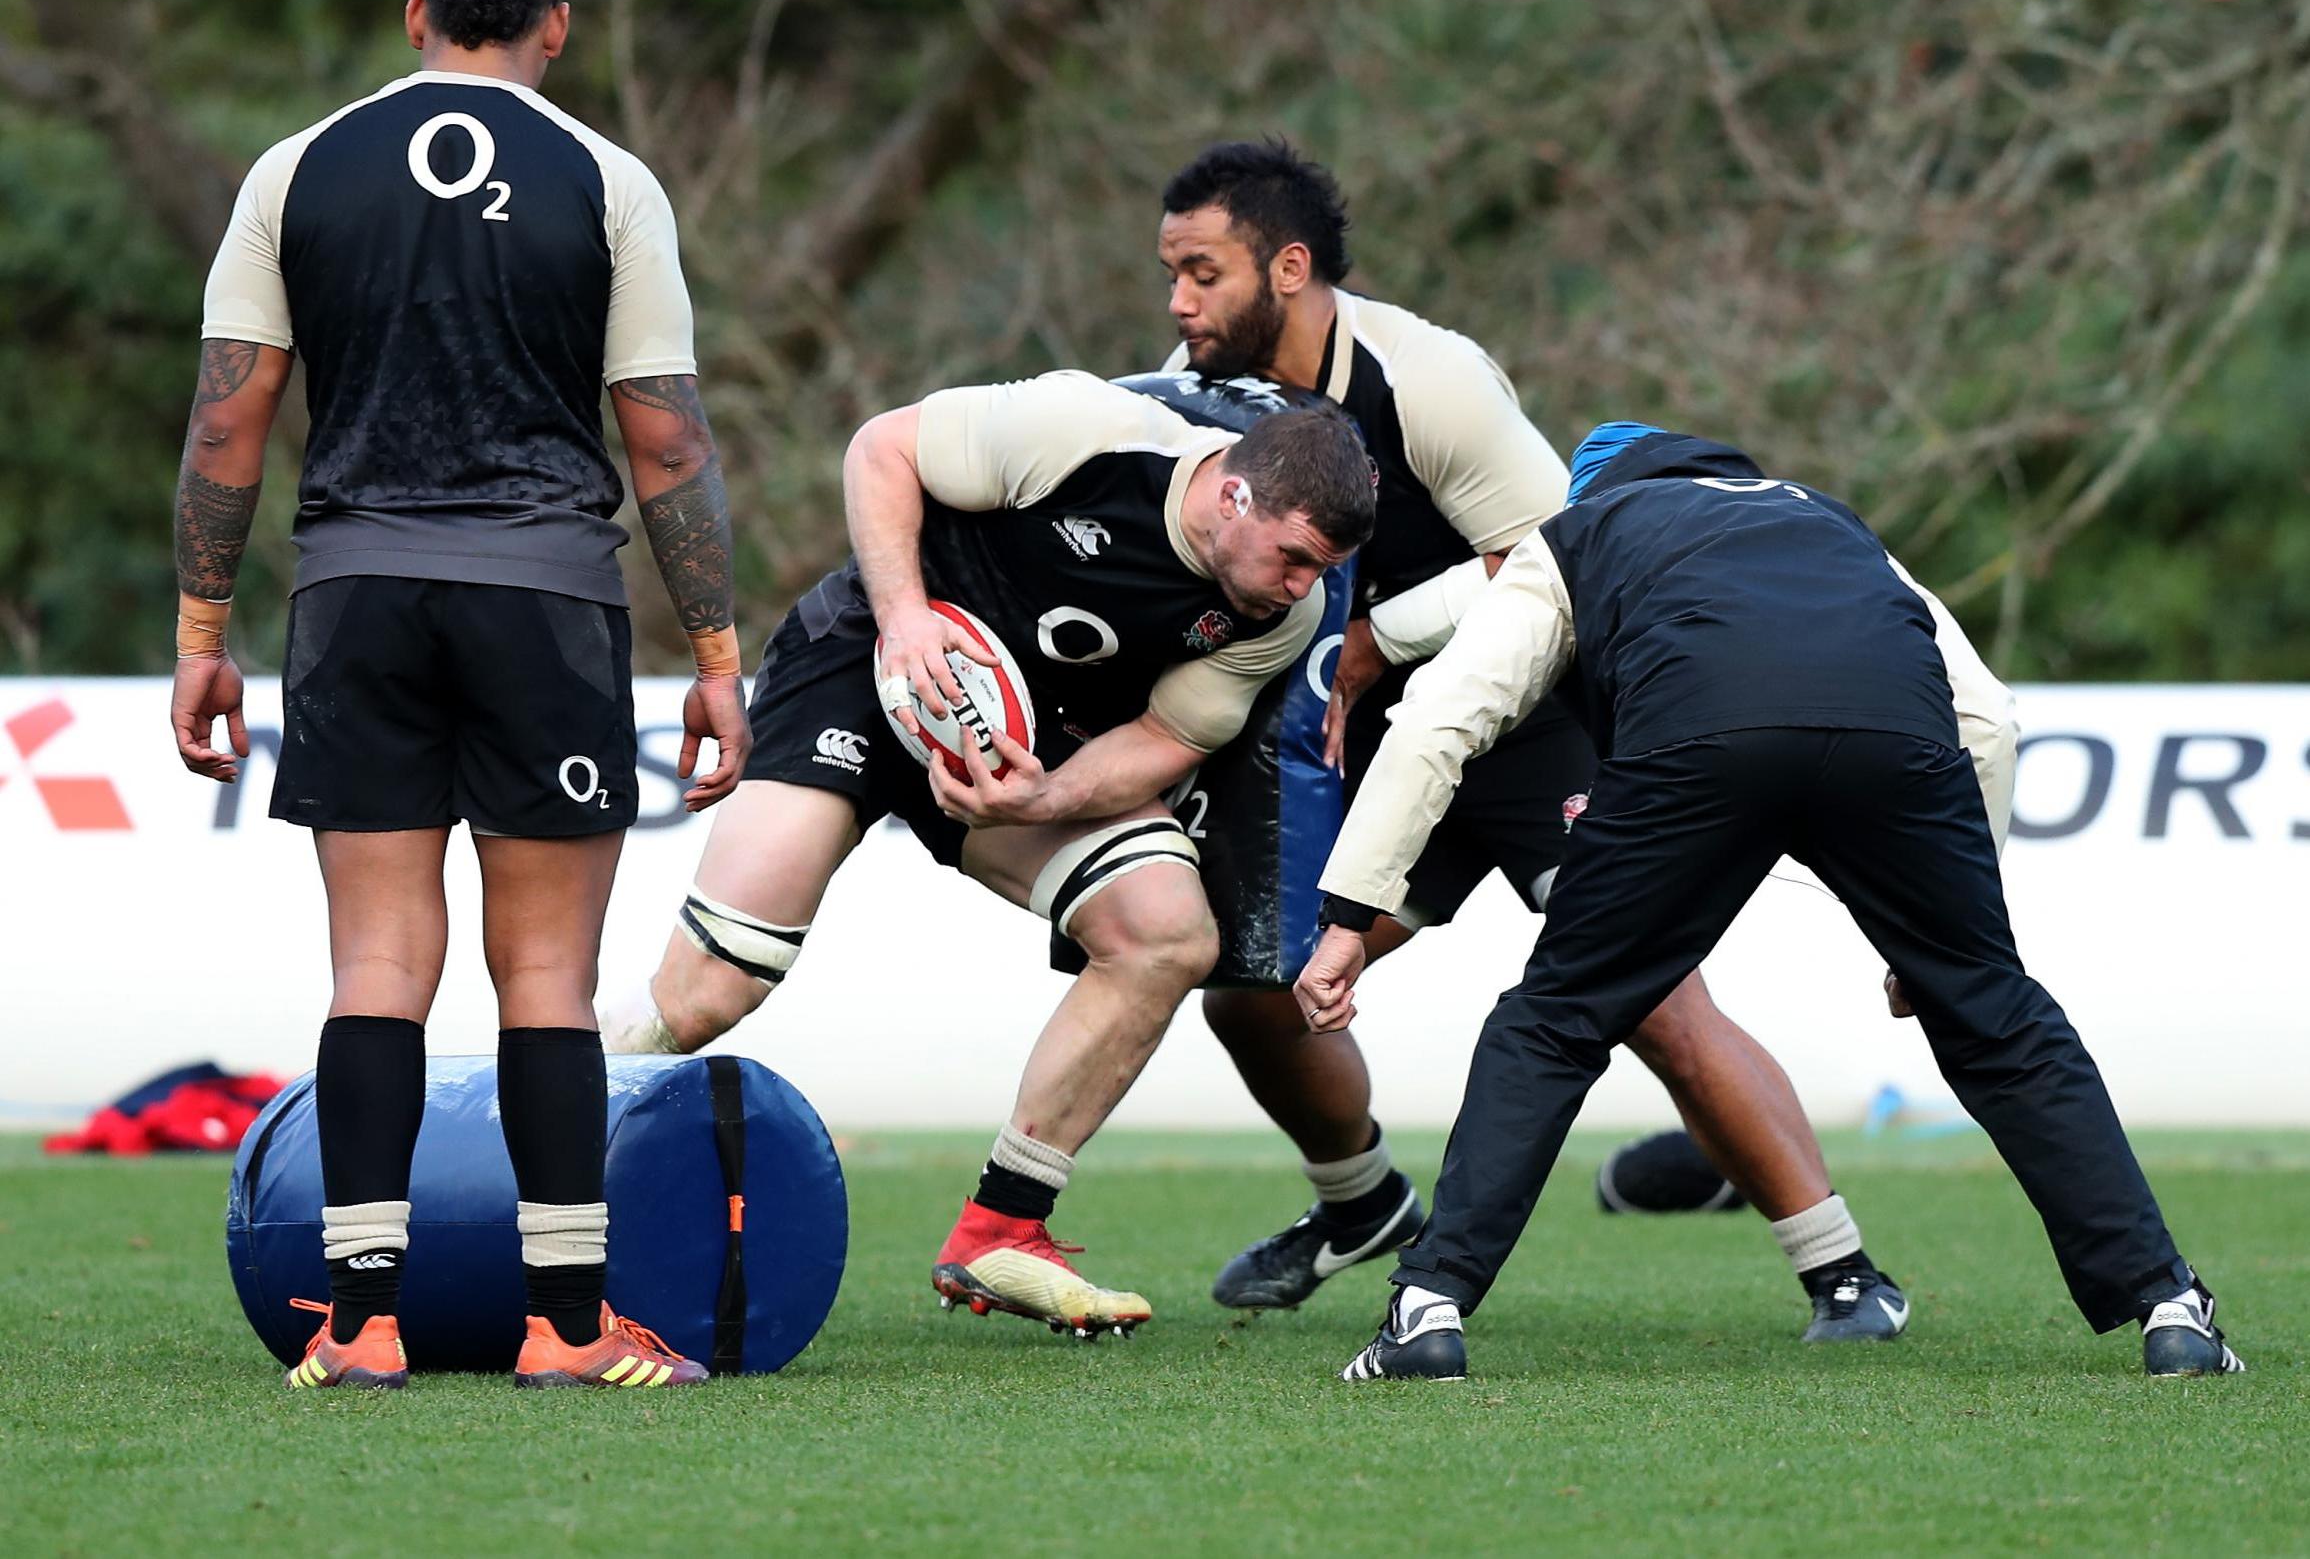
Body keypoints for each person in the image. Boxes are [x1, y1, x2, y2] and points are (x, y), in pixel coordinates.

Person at [1298, 423, 2246, 1383]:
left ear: (1593, 490)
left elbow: (1437, 721)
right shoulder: (1835, 524)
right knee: (2001, 1020)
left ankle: (1430, 1308)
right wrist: (1947, 939)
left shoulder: (1580, 533)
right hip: (1891, 739)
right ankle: (2169, 1306)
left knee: (1555, 1021)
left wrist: (1346, 915)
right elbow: (1991, 719)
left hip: (1694, 736)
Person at [1156, 140, 1909, 1339]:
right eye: (1172, 275)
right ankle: (1358, 1202)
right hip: (1380, 756)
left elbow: (1561, 548)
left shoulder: (1430, 376)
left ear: (1288, 267)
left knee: (1652, 994)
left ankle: (1846, 1270)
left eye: (1203, 272)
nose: (1181, 302)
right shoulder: (1193, 403)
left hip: (1531, 721)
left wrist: (1370, 644)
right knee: (1254, 985)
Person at [170, 0, 749, 1391]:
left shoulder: (294, 170)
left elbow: (228, 423)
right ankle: (565, 1331)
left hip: (356, 595)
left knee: (375, 961)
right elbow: (667, 445)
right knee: (546, 972)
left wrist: (200, 634)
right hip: (545, 599)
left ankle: (361, 1323)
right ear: (554, 27)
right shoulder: (610, 182)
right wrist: (719, 656)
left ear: (413, 17)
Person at [601, 374, 1373, 1336]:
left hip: (1020, 748)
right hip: (864, 663)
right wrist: (908, 617)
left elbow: (1170, 739)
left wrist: (1042, 796)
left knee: (1168, 935)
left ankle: (1002, 1226)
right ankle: (516, 1148)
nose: (1305, 589)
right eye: (1296, 558)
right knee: (709, 992)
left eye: (1323, 569)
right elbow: (882, 446)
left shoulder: (1281, 616)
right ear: (1234, 496)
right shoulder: (1089, 432)